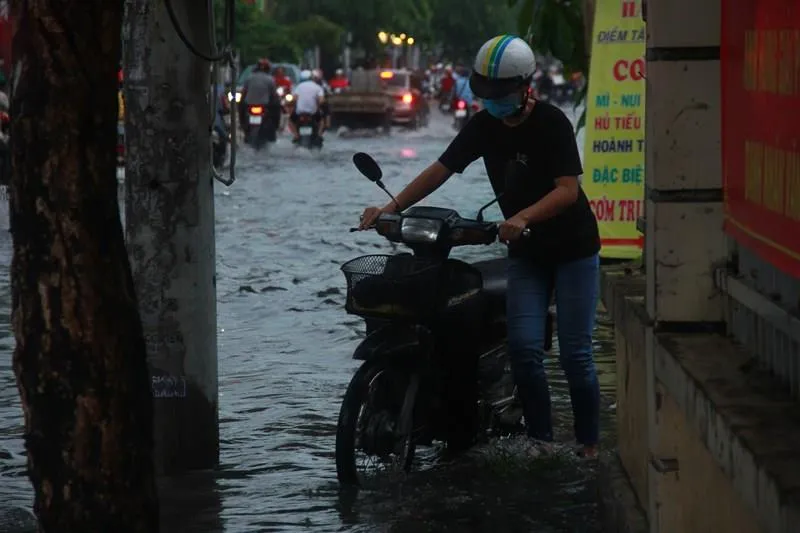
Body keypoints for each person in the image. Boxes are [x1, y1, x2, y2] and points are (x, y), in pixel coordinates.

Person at [358, 35, 601, 459]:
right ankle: (541, 442)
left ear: (526, 86)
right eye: (487, 93)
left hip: (573, 248)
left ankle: (588, 445)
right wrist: (391, 206)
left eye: (501, 94)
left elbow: (567, 191)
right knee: (526, 349)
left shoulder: (551, 122)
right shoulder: (483, 125)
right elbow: (441, 170)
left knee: (576, 354)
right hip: (527, 253)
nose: (493, 102)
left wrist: (523, 216)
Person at [242, 58, 279, 139]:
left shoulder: (249, 78)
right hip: (264, 105)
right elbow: (274, 95)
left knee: (241, 109)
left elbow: (244, 93)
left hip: (250, 105)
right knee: (277, 109)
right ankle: (275, 128)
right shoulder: (270, 79)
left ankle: (243, 127)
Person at [289, 69, 325, 143]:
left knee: (290, 121)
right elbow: (321, 101)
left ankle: (296, 136)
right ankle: (319, 135)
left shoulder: (298, 87)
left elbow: (294, 99)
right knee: (321, 122)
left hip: (300, 112)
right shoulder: (317, 87)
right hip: (313, 112)